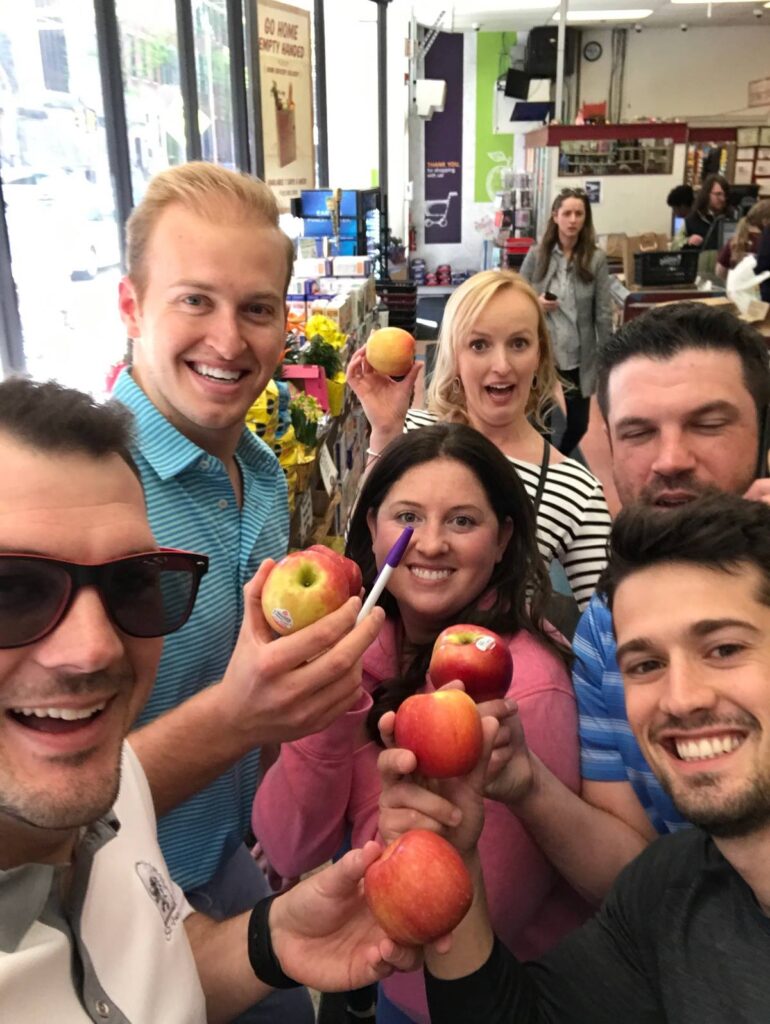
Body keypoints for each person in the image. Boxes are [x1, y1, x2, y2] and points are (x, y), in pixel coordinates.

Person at [0, 378, 420, 1023]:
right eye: (11, 592)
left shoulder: (110, 797)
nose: (93, 650)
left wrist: (271, 941)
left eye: (136, 583)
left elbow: (141, 968)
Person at [113, 161, 382, 1022]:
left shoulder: (262, 477)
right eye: (195, 300)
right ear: (131, 307)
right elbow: (33, 803)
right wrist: (243, 716)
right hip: (111, 902)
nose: (229, 341)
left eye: (258, 308)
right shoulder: (87, 503)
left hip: (234, 863)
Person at [252, 424, 591, 1024]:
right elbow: (285, 845)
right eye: (408, 515)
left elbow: (459, 916)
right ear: (373, 529)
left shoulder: (518, 692)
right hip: (381, 979)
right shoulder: (362, 651)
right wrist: (330, 709)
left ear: (503, 539)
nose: (430, 543)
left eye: (463, 521)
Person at [421, 493, 770, 1022]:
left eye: (724, 649)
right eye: (646, 664)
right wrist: (452, 848)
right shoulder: (668, 889)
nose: (681, 698)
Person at [347, 270, 611, 612]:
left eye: (518, 343)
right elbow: (361, 552)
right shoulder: (411, 435)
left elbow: (608, 626)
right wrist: (385, 434)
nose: (501, 365)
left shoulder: (575, 489)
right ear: (455, 357)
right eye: (479, 345)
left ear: (540, 356)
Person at [519, 186, 613, 458]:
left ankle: (557, 455)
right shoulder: (538, 255)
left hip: (577, 353)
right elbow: (516, 296)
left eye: (579, 214)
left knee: (578, 424)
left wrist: (607, 358)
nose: (573, 220)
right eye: (567, 213)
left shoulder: (596, 259)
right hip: (542, 349)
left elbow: (603, 312)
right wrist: (535, 303)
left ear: (586, 218)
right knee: (540, 418)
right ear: (555, 216)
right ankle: (542, 466)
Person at [715, 198, 770, 280]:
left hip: (737, 290)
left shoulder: (734, 241)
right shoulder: (765, 243)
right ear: (766, 221)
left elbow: (719, 272)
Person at [684, 172, 732, 251]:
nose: (723, 199)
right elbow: (677, 245)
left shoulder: (730, 218)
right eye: (718, 194)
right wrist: (688, 241)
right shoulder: (692, 219)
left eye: (725, 195)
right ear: (707, 194)